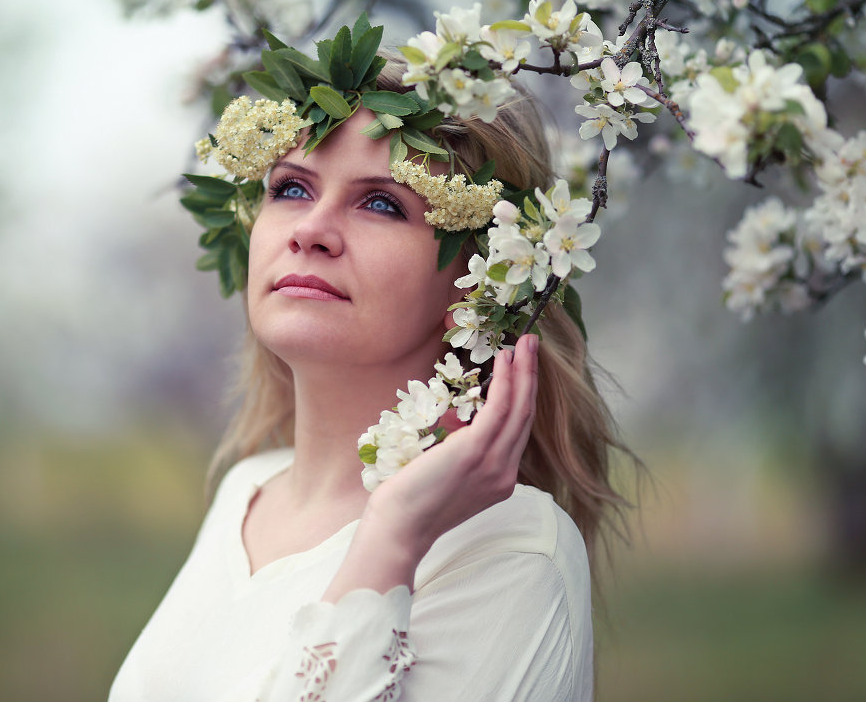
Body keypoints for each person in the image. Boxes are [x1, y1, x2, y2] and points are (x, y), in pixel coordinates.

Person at [108, 50, 632, 701]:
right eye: (290, 188)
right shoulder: (244, 491)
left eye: (381, 203)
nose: (311, 230)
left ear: (479, 279)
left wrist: (392, 539)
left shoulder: (508, 547)